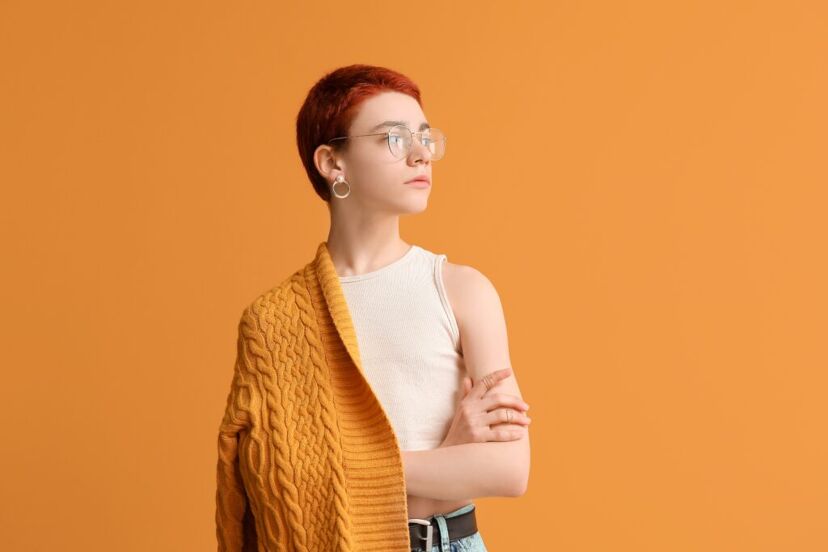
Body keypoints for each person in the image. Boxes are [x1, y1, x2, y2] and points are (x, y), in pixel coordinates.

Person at [298, 64, 531, 552]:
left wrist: (355, 468)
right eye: (394, 139)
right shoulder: (280, 320)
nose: (422, 154)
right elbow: (293, 485)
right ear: (332, 162)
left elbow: (509, 469)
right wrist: (448, 454)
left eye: (425, 137)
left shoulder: (461, 290)